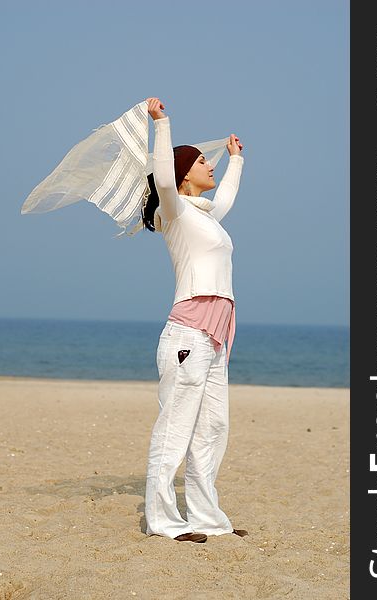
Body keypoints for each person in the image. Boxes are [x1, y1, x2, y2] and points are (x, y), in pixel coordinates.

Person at [143, 97, 248, 544]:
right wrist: (162, 124)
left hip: (218, 335)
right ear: (185, 172)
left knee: (212, 428)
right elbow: (163, 178)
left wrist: (238, 161)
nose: (213, 165)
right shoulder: (177, 213)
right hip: (188, 331)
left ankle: (205, 518)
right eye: (205, 161)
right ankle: (165, 521)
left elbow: (224, 196)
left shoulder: (205, 218)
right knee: (177, 426)